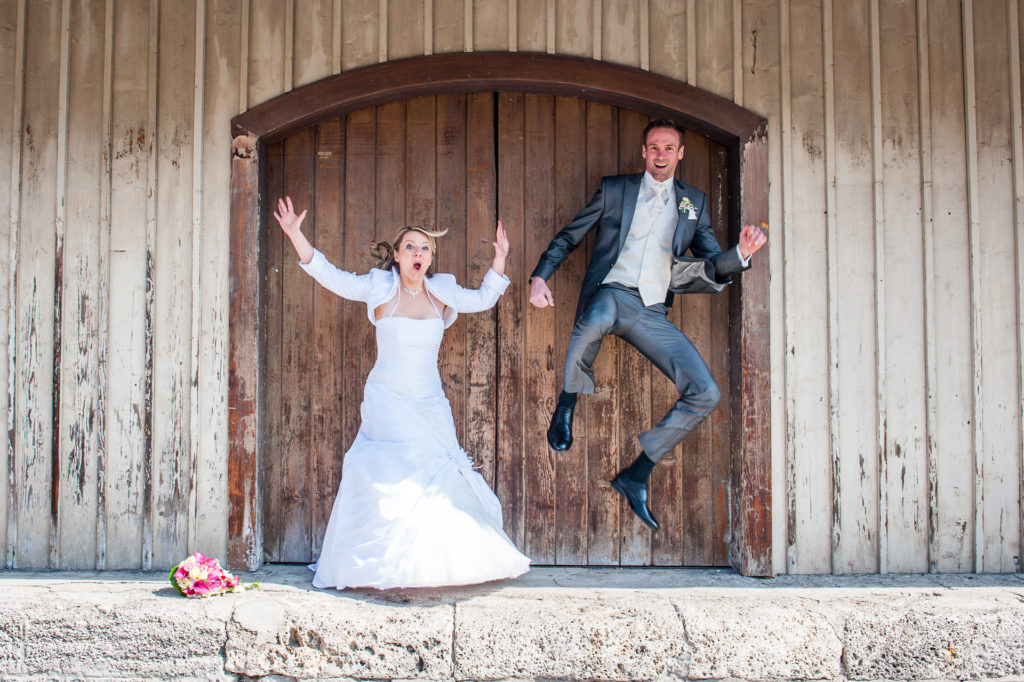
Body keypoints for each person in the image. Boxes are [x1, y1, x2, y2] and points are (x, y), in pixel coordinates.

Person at [273, 196, 530, 589]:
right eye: (410, 246)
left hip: (429, 403)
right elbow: (331, 276)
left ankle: (429, 563)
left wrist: (500, 260)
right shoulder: (379, 287)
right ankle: (379, 564)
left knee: (434, 479)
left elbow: (483, 299)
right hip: (388, 400)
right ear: (396, 255)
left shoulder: (441, 291)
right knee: (389, 474)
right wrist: (295, 235)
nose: (418, 253)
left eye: (425, 248)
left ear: (430, 258)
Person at [528, 118, 767, 531]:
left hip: (651, 309)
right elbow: (570, 236)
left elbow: (713, 262)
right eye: (654, 147)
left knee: (707, 392)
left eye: (669, 148)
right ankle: (566, 405)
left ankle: (637, 474)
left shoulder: (693, 202)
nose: (660, 154)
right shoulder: (615, 189)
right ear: (644, 152)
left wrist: (741, 254)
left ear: (680, 154)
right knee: (596, 317)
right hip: (611, 292)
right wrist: (539, 276)